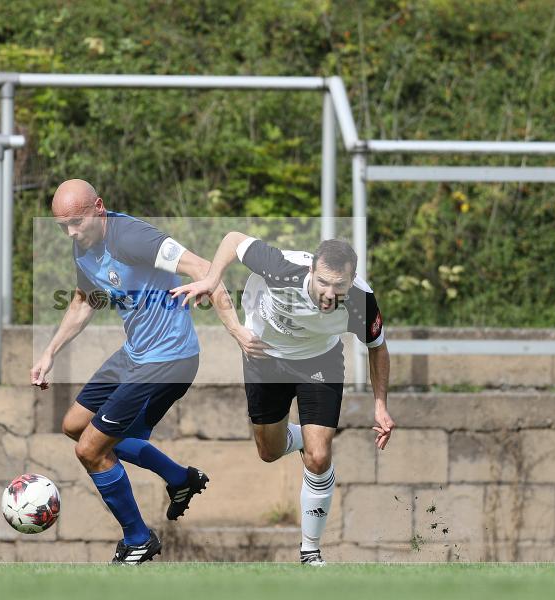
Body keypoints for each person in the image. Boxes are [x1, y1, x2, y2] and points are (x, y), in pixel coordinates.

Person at [30, 180, 266, 564]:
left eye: (76, 222)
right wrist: (49, 353)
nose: (71, 232)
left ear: (99, 208)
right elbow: (84, 298)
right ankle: (180, 478)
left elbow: (205, 269)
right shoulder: (83, 244)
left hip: (168, 360)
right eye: (62, 226)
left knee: (90, 449)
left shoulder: (133, 238)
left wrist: (236, 330)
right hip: (135, 354)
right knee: (74, 425)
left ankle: (139, 539)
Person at [170, 231, 394, 566]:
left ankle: (310, 551)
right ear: (311, 272)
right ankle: (303, 437)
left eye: (340, 286)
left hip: (320, 361)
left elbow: (377, 348)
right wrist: (213, 281)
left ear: (352, 280)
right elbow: (232, 239)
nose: (329, 294)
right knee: (268, 451)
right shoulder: (281, 267)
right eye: (323, 283)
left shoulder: (362, 300)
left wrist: (380, 405)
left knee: (319, 458)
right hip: (263, 356)